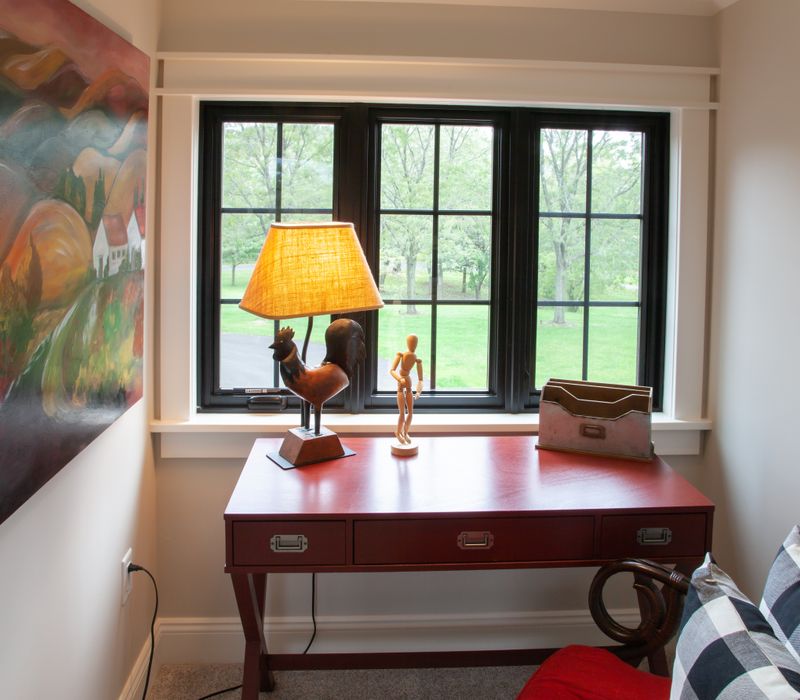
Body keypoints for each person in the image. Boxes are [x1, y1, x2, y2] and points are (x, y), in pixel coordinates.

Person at [389, 334, 424, 446]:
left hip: (409, 387)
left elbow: (421, 379)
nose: (413, 345)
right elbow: (392, 370)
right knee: (402, 413)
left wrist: (418, 391)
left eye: (415, 343)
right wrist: (399, 378)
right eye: (411, 343)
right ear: (407, 343)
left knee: (410, 413)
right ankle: (398, 432)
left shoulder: (417, 360)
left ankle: (405, 432)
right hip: (401, 387)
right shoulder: (401, 355)